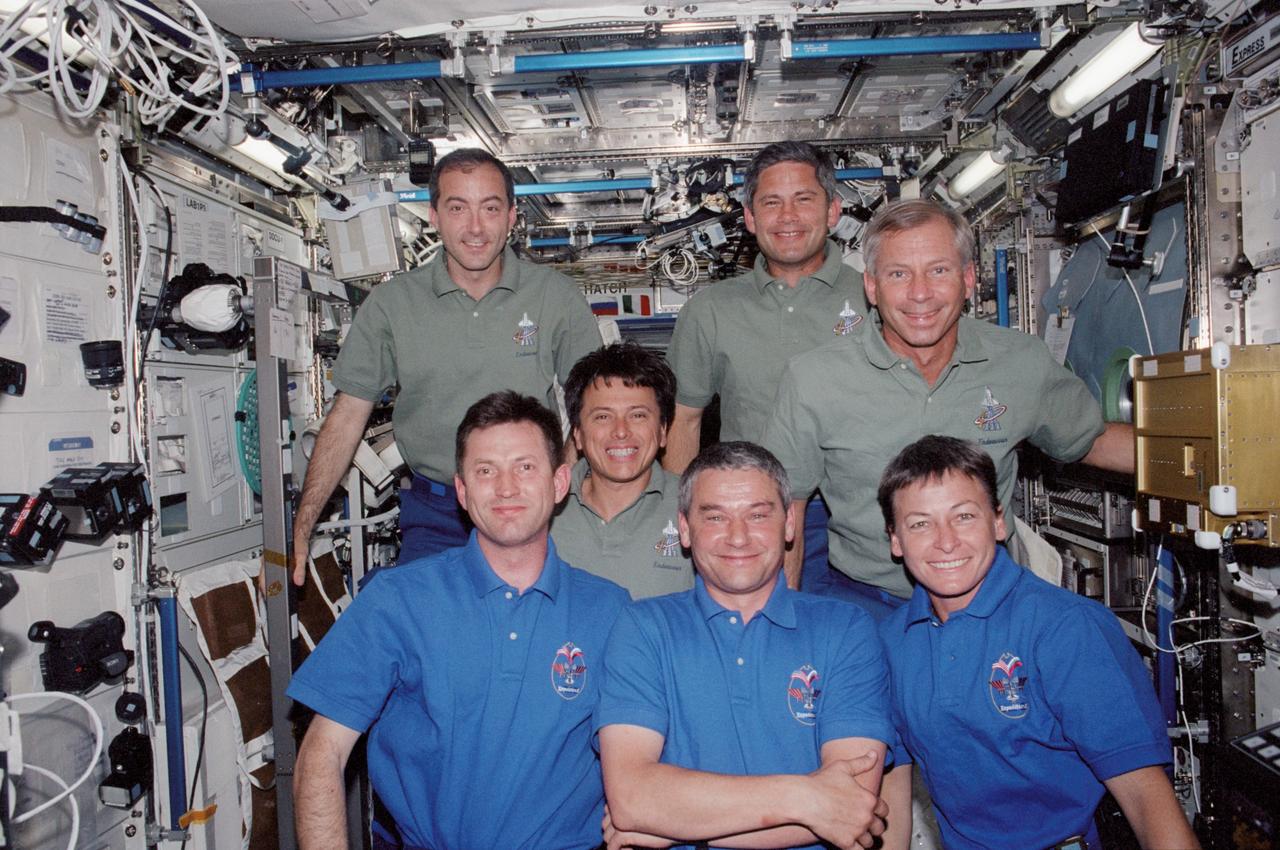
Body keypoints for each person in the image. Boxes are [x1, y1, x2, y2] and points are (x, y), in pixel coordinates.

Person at [288, 391, 630, 850]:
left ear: (559, 483)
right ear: (463, 492)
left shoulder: (610, 611)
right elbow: (321, 753)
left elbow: (647, 752)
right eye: (486, 471)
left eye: (525, 467)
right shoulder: (398, 601)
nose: (506, 488)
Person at [762, 198, 1134, 619]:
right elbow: (785, 509)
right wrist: (784, 627)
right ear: (871, 287)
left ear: (969, 279)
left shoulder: (1020, 362)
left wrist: (1193, 461)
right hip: (868, 604)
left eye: (938, 270)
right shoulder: (814, 379)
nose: (920, 293)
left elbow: (1092, 440)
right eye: (898, 274)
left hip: (988, 600)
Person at [290, 148, 602, 585]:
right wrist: (303, 525)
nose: (475, 228)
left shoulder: (555, 296)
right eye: (458, 208)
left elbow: (596, 406)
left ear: (512, 216)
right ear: (434, 216)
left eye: (490, 208)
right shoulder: (393, 304)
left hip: (530, 508)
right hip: (437, 515)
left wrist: (557, 480)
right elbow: (346, 417)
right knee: (424, 624)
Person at [875, 435, 1198, 850]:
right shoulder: (891, 642)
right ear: (895, 540)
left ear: (998, 522)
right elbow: (892, 787)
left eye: (964, 516)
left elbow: (1145, 797)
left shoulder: (1067, 629)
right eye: (920, 523)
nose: (946, 541)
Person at [596, 441, 894, 850]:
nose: (737, 537)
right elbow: (633, 799)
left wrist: (673, 823)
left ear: (789, 523)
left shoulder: (845, 630)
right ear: (685, 529)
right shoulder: (644, 627)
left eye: (757, 515)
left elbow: (850, 809)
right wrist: (805, 797)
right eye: (715, 516)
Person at [663, 141, 869, 591]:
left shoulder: (875, 299)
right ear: (751, 218)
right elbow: (684, 419)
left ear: (833, 211)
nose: (787, 216)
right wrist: (681, 520)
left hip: (855, 517)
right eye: (771, 203)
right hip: (746, 516)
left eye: (804, 199)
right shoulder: (710, 310)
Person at [551, 341, 694, 598]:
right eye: (603, 417)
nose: (620, 431)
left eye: (637, 415)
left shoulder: (697, 507)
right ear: (578, 434)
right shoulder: (540, 509)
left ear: (663, 431)